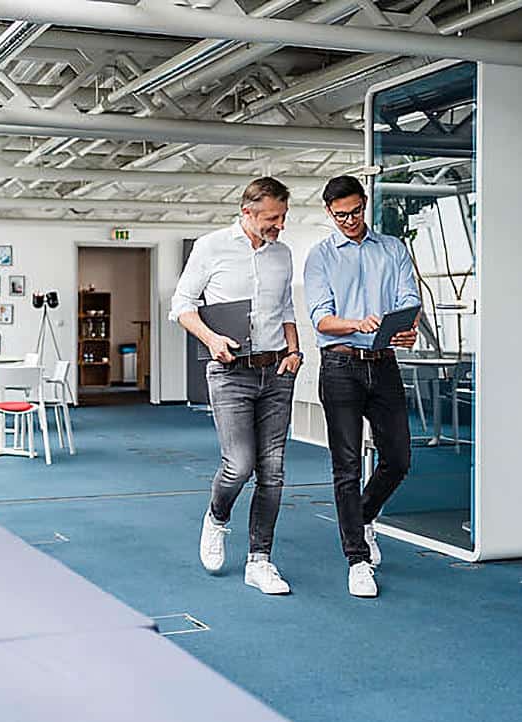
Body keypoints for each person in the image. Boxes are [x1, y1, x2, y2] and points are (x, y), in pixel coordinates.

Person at [170, 177, 302, 595]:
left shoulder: (282, 254)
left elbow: (285, 307)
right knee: (239, 465)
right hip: (230, 374)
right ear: (247, 212)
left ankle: (259, 560)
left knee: (274, 471)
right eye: (271, 218)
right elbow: (182, 307)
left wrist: (295, 352)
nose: (279, 225)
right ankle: (217, 518)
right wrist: (211, 340)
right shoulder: (211, 247)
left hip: (277, 371)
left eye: (282, 217)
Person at [304, 175, 420, 598]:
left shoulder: (392, 249)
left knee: (399, 458)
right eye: (340, 216)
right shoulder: (320, 257)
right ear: (329, 213)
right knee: (347, 466)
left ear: (365, 204)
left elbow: (409, 301)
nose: (349, 221)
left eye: (354, 212)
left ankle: (363, 516)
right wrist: (357, 323)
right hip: (340, 367)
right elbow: (321, 318)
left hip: (383, 364)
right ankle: (357, 559)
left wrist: (408, 328)